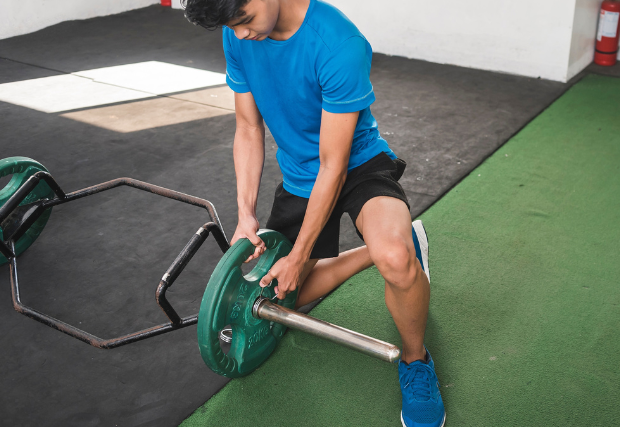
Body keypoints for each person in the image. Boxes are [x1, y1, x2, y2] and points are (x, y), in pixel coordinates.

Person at [182, 0, 445, 425]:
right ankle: (379, 250)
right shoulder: (238, 32)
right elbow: (249, 128)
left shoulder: (338, 43)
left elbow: (334, 164)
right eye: (232, 27)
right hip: (302, 177)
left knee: (395, 261)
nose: (241, 34)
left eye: (245, 20)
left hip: (357, 165)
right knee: (280, 295)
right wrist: (245, 215)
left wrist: (301, 254)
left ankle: (416, 362)